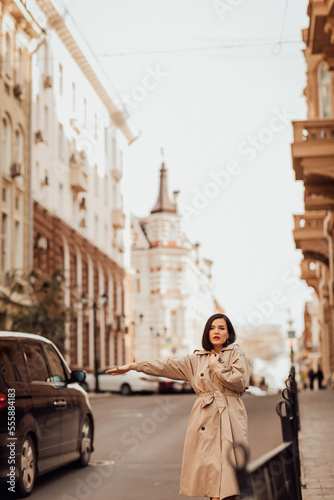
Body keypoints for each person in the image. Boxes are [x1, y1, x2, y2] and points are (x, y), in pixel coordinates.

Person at [106, 313, 250, 500]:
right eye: (212, 328)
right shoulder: (196, 359)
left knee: (230, 475)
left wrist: (216, 367)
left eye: (221, 328)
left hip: (229, 416)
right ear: (207, 332)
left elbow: (239, 382)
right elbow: (166, 366)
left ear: (228, 333)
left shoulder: (235, 354)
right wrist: (135, 366)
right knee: (212, 474)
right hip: (205, 418)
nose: (216, 331)